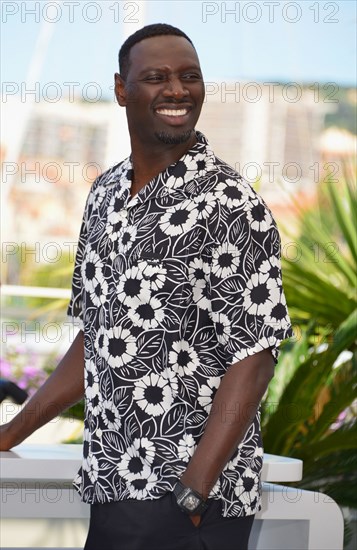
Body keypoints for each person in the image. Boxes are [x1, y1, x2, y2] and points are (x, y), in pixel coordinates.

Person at [0, 23, 293, 550]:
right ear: (121, 90)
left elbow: (254, 358)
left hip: (188, 503)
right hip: (112, 486)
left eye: (190, 77)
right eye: (156, 77)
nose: (177, 90)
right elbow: (97, 341)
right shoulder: (105, 194)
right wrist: (10, 434)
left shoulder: (228, 203)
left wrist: (194, 492)